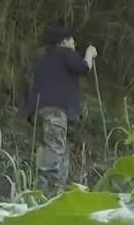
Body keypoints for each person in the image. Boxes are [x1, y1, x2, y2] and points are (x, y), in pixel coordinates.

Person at [23, 26, 96, 196]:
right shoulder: (64, 53)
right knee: (56, 149)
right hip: (55, 111)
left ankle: (55, 193)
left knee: (54, 149)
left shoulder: (42, 59)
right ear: (63, 42)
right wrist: (90, 53)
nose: (74, 45)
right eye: (72, 41)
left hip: (37, 112)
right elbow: (84, 67)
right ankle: (43, 194)